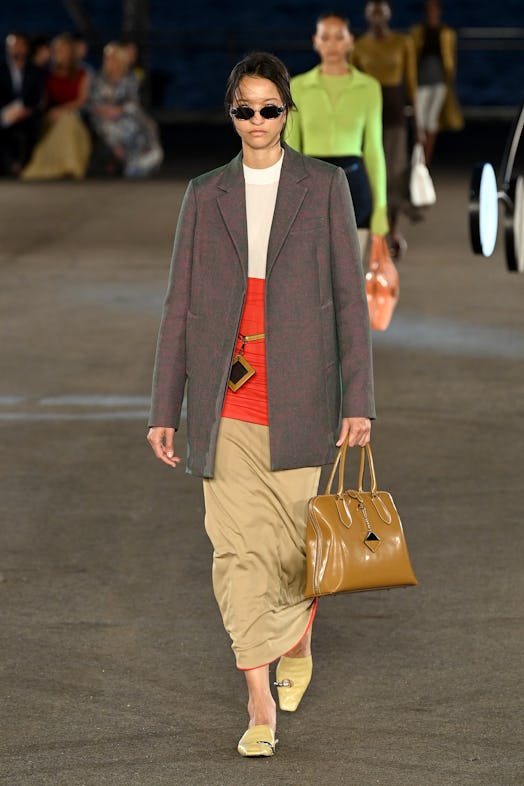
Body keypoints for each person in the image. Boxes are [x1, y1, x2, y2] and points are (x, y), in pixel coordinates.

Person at [147, 51, 375, 757]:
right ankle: (257, 706)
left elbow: (348, 300)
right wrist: (164, 407)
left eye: (268, 109)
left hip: (302, 396)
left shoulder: (325, 185)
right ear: (231, 113)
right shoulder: (204, 193)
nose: (256, 121)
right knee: (237, 555)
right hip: (227, 401)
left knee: (291, 555)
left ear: (286, 112)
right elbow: (180, 308)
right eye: (244, 109)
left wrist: (358, 401)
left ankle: (298, 638)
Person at [286, 11, 388, 256]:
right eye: (326, 37)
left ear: (351, 40)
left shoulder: (369, 88)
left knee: (349, 279)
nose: (332, 45)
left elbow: (374, 151)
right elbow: (290, 150)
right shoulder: (298, 86)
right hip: (310, 185)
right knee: (311, 276)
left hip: (354, 185)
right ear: (316, 41)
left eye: (339, 37)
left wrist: (381, 212)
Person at [352, 1, 420, 258]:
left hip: (394, 115)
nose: (378, 17)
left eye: (382, 12)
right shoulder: (359, 46)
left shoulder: (403, 43)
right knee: (369, 177)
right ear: (368, 16)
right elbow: (353, 85)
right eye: (373, 13)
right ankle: (373, 233)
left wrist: (419, 122)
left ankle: (393, 232)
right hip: (367, 115)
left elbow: (411, 83)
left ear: (388, 15)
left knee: (394, 175)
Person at [20, 33, 91, 180]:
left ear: (70, 52)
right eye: (57, 50)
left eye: (63, 50)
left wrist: (62, 110)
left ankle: (70, 165)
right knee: (62, 121)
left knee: (68, 121)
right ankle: (62, 166)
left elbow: (82, 100)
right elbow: (41, 100)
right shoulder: (46, 74)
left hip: (73, 116)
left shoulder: (82, 74)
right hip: (51, 117)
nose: (60, 54)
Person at [88, 42, 162, 178]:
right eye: (108, 59)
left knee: (140, 124)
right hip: (103, 117)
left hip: (124, 115)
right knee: (107, 127)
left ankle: (138, 161)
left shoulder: (131, 78)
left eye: (114, 59)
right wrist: (105, 110)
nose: (110, 62)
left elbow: (133, 102)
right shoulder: (98, 79)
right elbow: (93, 102)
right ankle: (116, 157)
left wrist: (119, 110)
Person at [410, 0, 463, 166]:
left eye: (434, 10)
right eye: (429, 10)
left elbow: (451, 60)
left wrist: (450, 81)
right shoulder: (418, 32)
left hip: (439, 82)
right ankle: (418, 162)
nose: (432, 13)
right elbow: (411, 58)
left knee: (432, 122)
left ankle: (425, 162)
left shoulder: (446, 33)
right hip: (422, 81)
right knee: (419, 124)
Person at [0, 33, 44, 175]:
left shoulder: (35, 70)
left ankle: (26, 165)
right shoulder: (1, 70)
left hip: (28, 113)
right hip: (5, 113)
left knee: (33, 127)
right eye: (12, 46)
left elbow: (38, 96)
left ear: (26, 48)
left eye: (19, 45)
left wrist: (27, 110)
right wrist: (7, 111)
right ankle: (9, 164)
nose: (15, 49)